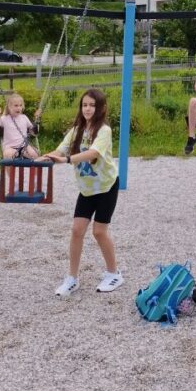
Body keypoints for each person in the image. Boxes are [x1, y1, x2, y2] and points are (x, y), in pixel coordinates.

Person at [37, 88, 123, 297]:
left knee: (99, 231)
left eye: (92, 105)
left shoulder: (104, 131)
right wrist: (45, 158)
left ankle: (114, 274)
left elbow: (92, 153)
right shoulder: (76, 130)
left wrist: (66, 160)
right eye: (84, 105)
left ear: (101, 108)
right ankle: (72, 278)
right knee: (77, 230)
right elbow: (60, 150)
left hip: (106, 187)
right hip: (86, 189)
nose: (88, 109)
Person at [0, 93, 41, 160]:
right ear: (9, 107)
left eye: (20, 105)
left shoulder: (24, 118)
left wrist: (37, 119)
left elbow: (34, 133)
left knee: (34, 154)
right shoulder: (4, 119)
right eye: (16, 105)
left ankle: (26, 160)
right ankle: (14, 161)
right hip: (10, 147)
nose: (19, 108)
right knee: (9, 154)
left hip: (24, 146)